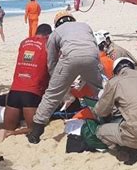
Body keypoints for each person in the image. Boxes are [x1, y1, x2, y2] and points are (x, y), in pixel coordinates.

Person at [27, 11, 103, 144]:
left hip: (69, 58)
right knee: (101, 90)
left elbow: (51, 61)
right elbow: (94, 47)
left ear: (57, 23)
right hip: (91, 57)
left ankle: (36, 132)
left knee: (52, 95)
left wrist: (58, 82)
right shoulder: (85, 26)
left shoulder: (56, 33)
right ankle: (109, 118)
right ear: (72, 20)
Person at [0, 24, 53, 141]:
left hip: (14, 92)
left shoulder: (24, 42)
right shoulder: (48, 44)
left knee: (8, 126)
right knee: (33, 128)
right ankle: (9, 135)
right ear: (48, 35)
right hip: (31, 93)